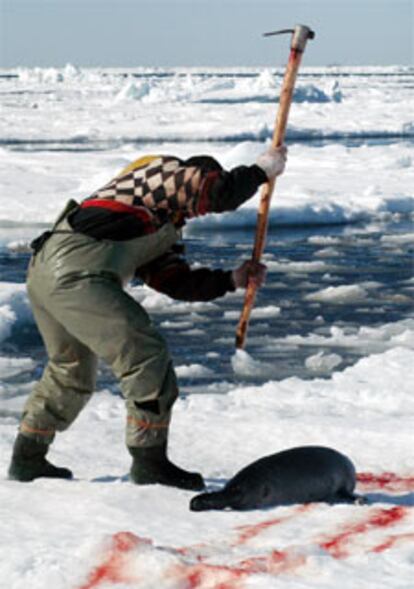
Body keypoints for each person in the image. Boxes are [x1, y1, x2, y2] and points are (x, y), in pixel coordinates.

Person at [8, 145, 287, 490]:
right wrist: (261, 171)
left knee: (71, 368)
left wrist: (233, 279)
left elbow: (175, 281)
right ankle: (149, 461)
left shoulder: (162, 219)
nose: (195, 213)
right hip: (78, 276)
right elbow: (219, 192)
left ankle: (28, 457)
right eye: (194, 204)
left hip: (46, 274)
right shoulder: (157, 176)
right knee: (145, 356)